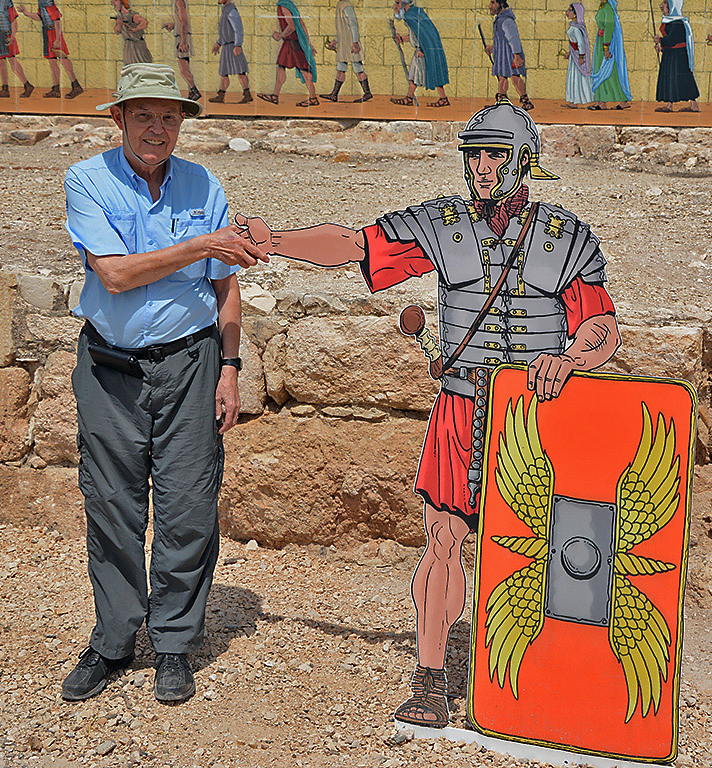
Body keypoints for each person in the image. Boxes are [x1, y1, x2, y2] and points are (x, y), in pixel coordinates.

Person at [235, 101, 621, 729]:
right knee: (443, 540)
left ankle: (552, 680)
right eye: (474, 155)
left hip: (538, 417)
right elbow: (356, 245)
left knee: (554, 551)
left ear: (524, 160)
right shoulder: (445, 226)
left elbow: (601, 325)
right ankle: (431, 676)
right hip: (461, 408)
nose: (481, 167)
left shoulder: (567, 237)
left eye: (495, 155)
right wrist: (275, 242)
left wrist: (572, 358)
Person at [61, 63, 267, 704]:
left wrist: (230, 367)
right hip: (110, 370)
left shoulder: (204, 184)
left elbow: (226, 287)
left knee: (188, 507)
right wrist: (204, 245)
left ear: (181, 124)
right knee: (112, 506)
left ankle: (174, 642)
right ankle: (114, 640)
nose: (157, 128)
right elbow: (115, 275)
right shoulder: (86, 180)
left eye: (169, 117)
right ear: (119, 118)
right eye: (144, 115)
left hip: (192, 365)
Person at [258, 0, 319, 107]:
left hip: (293, 43)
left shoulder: (284, 7)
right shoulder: (291, 6)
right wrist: (308, 43)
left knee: (304, 70)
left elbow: (292, 26)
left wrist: (280, 35)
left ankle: (313, 98)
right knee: (281, 67)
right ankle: (275, 96)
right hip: (291, 43)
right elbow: (301, 24)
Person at [17, 0, 84, 98]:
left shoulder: (48, 2)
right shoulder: (41, 2)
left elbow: (57, 21)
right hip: (47, 32)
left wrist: (57, 39)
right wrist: (26, 13)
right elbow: (40, 17)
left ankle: (76, 86)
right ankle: (56, 90)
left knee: (63, 59)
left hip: (54, 33)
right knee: (52, 62)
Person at [390, 0, 450, 107]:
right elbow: (417, 36)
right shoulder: (414, 13)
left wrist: (423, 50)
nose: (395, 6)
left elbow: (425, 35)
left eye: (398, 3)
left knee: (430, 73)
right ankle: (410, 98)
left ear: (404, 3)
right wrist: (402, 39)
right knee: (415, 75)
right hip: (424, 49)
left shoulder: (410, 16)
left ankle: (443, 99)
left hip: (424, 50)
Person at [321, 0, 371, 102]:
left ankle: (367, 93)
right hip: (344, 43)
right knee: (341, 68)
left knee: (358, 68)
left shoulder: (347, 6)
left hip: (351, 42)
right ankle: (334, 94)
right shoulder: (340, 5)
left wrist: (355, 42)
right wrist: (336, 41)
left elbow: (353, 24)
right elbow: (343, 29)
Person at [485, 0, 532, 110]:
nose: (490, 6)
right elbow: (502, 41)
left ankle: (526, 101)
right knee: (502, 76)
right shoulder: (500, 20)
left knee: (515, 77)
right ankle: (501, 101)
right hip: (502, 55)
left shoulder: (507, 21)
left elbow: (513, 38)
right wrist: (493, 48)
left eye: (493, 2)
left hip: (511, 55)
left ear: (501, 4)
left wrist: (517, 55)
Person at [0, 0, 34, 98]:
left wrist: (12, 37)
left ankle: (27, 85)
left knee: (12, 61)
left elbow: (13, 20)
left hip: (7, 35)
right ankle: (5, 89)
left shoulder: (7, 2)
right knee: (1, 63)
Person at [654, 0, 699, 112]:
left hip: (678, 56)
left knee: (683, 79)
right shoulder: (670, 21)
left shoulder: (677, 22)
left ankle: (693, 105)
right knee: (671, 79)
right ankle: (670, 105)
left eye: (664, 8)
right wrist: (661, 47)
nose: (662, 11)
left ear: (671, 8)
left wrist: (660, 40)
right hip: (671, 55)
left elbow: (672, 40)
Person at [589, 0, 631, 109]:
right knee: (602, 70)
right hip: (601, 42)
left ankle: (612, 101)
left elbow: (609, 28)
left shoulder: (608, 7)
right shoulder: (602, 6)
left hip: (607, 43)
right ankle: (600, 101)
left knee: (608, 71)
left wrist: (606, 47)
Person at [209, 0, 251, 103]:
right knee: (224, 73)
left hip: (233, 47)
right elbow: (225, 31)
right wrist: (219, 43)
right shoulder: (225, 10)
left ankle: (247, 94)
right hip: (226, 47)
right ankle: (221, 95)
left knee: (241, 71)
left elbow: (238, 29)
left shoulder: (232, 11)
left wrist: (238, 45)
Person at [161, 0, 201, 100]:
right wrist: (173, 25)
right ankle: (192, 92)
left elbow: (184, 22)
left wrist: (183, 41)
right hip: (181, 37)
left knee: (183, 70)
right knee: (186, 69)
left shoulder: (179, 1)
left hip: (182, 38)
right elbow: (180, 21)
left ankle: (194, 90)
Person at [563, 3, 592, 107]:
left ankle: (580, 100)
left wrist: (581, 57)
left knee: (578, 77)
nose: (567, 12)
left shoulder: (577, 28)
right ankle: (573, 101)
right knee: (573, 77)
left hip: (578, 56)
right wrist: (570, 52)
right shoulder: (573, 26)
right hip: (574, 56)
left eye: (570, 10)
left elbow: (580, 44)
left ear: (575, 13)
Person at [112, 0, 152, 66]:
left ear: (122, 2)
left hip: (137, 44)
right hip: (129, 45)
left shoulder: (132, 15)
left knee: (142, 64)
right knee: (129, 65)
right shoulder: (119, 16)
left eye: (116, 1)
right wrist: (119, 23)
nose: (113, 3)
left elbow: (144, 22)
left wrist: (135, 29)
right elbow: (117, 31)